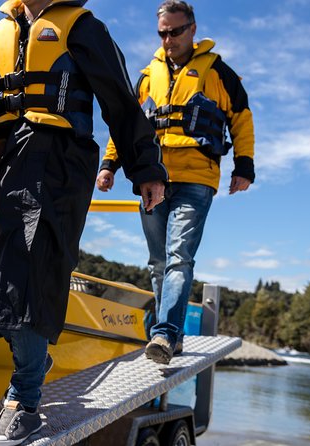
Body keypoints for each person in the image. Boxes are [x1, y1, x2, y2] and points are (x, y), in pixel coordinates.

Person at [0, 0, 166, 444]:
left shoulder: (84, 29)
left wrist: (145, 169)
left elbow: (121, 104)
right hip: (4, 155)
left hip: (58, 162)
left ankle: (25, 402)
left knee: (27, 271)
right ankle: (33, 360)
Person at [96, 0, 255, 365]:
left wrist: (243, 165)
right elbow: (126, 125)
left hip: (197, 178)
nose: (168, 40)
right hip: (152, 178)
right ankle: (172, 337)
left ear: (193, 29)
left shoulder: (218, 72)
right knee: (157, 262)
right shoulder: (148, 76)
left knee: (178, 257)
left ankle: (164, 334)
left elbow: (242, 119)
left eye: (175, 32)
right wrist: (109, 164)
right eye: (163, 33)